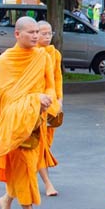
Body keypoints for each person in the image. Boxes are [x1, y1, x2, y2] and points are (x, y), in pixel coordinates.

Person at [0, 17, 58, 209]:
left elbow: (50, 87)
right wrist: (35, 99)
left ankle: (6, 200)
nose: (36, 36)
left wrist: (48, 101)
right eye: (30, 32)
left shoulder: (43, 57)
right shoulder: (6, 60)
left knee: (27, 168)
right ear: (17, 34)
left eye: (37, 32)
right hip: (15, 122)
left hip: (36, 120)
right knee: (24, 166)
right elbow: (6, 96)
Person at [33, 20, 62, 197]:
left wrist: (59, 100)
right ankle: (47, 183)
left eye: (49, 33)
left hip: (50, 103)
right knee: (39, 144)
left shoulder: (54, 54)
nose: (46, 36)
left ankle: (28, 178)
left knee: (44, 143)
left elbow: (57, 78)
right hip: (34, 105)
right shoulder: (31, 54)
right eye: (42, 33)